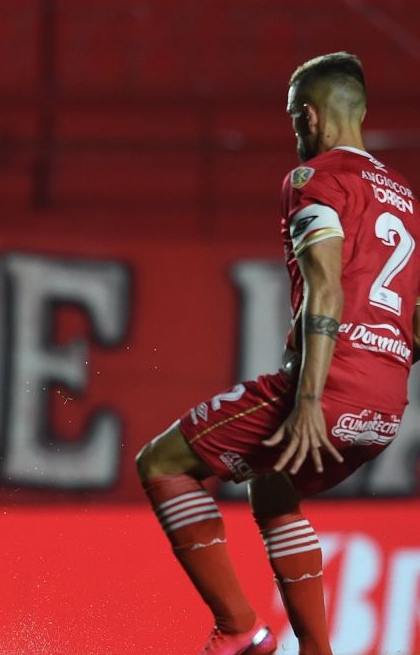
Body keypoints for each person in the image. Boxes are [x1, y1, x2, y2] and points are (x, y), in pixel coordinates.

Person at [136, 52, 418, 655]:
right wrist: (383, 363)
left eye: (295, 120)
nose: (295, 135)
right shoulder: (403, 198)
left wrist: (310, 399)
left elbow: (325, 285)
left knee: (161, 464)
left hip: (330, 388)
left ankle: (237, 630)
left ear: (311, 117)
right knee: (272, 485)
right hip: (386, 406)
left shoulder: (314, 180)